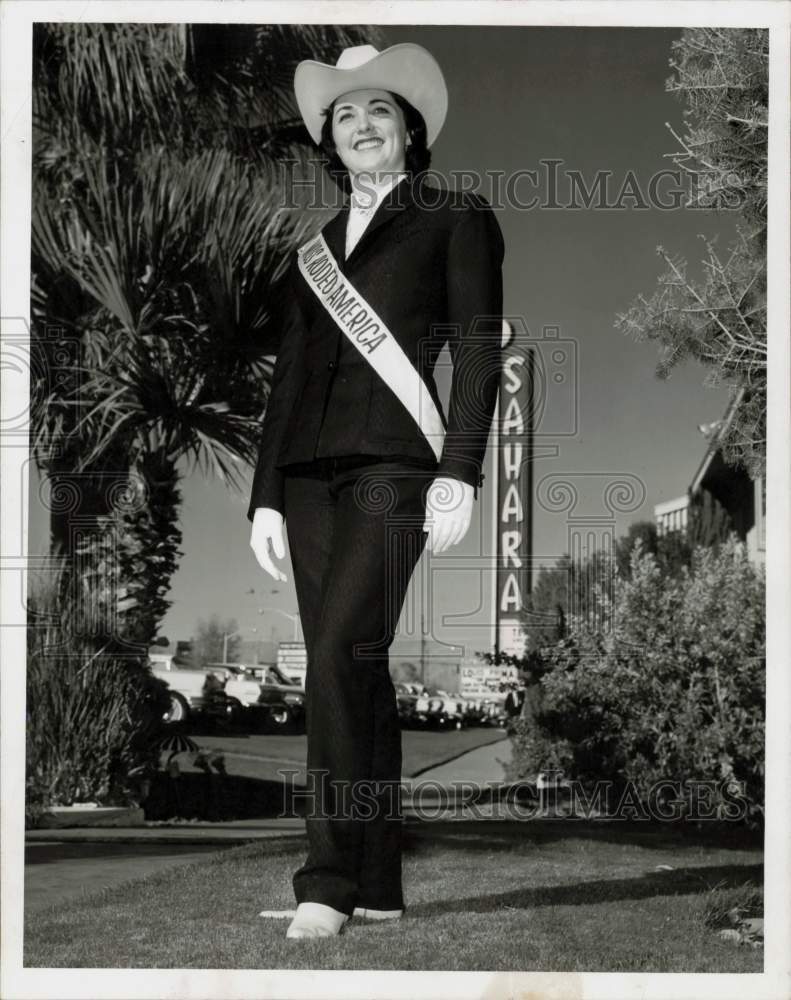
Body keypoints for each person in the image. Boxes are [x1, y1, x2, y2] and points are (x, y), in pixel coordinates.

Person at [248, 42, 505, 939]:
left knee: (336, 654)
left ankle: (323, 881)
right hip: (309, 478)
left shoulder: (453, 215)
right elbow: (288, 379)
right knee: (351, 667)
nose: (360, 125)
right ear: (330, 137)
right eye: (344, 114)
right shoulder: (310, 250)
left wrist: (460, 470)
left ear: (410, 131)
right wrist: (265, 496)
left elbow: (477, 347)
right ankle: (377, 882)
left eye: (378, 111)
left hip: (396, 466)